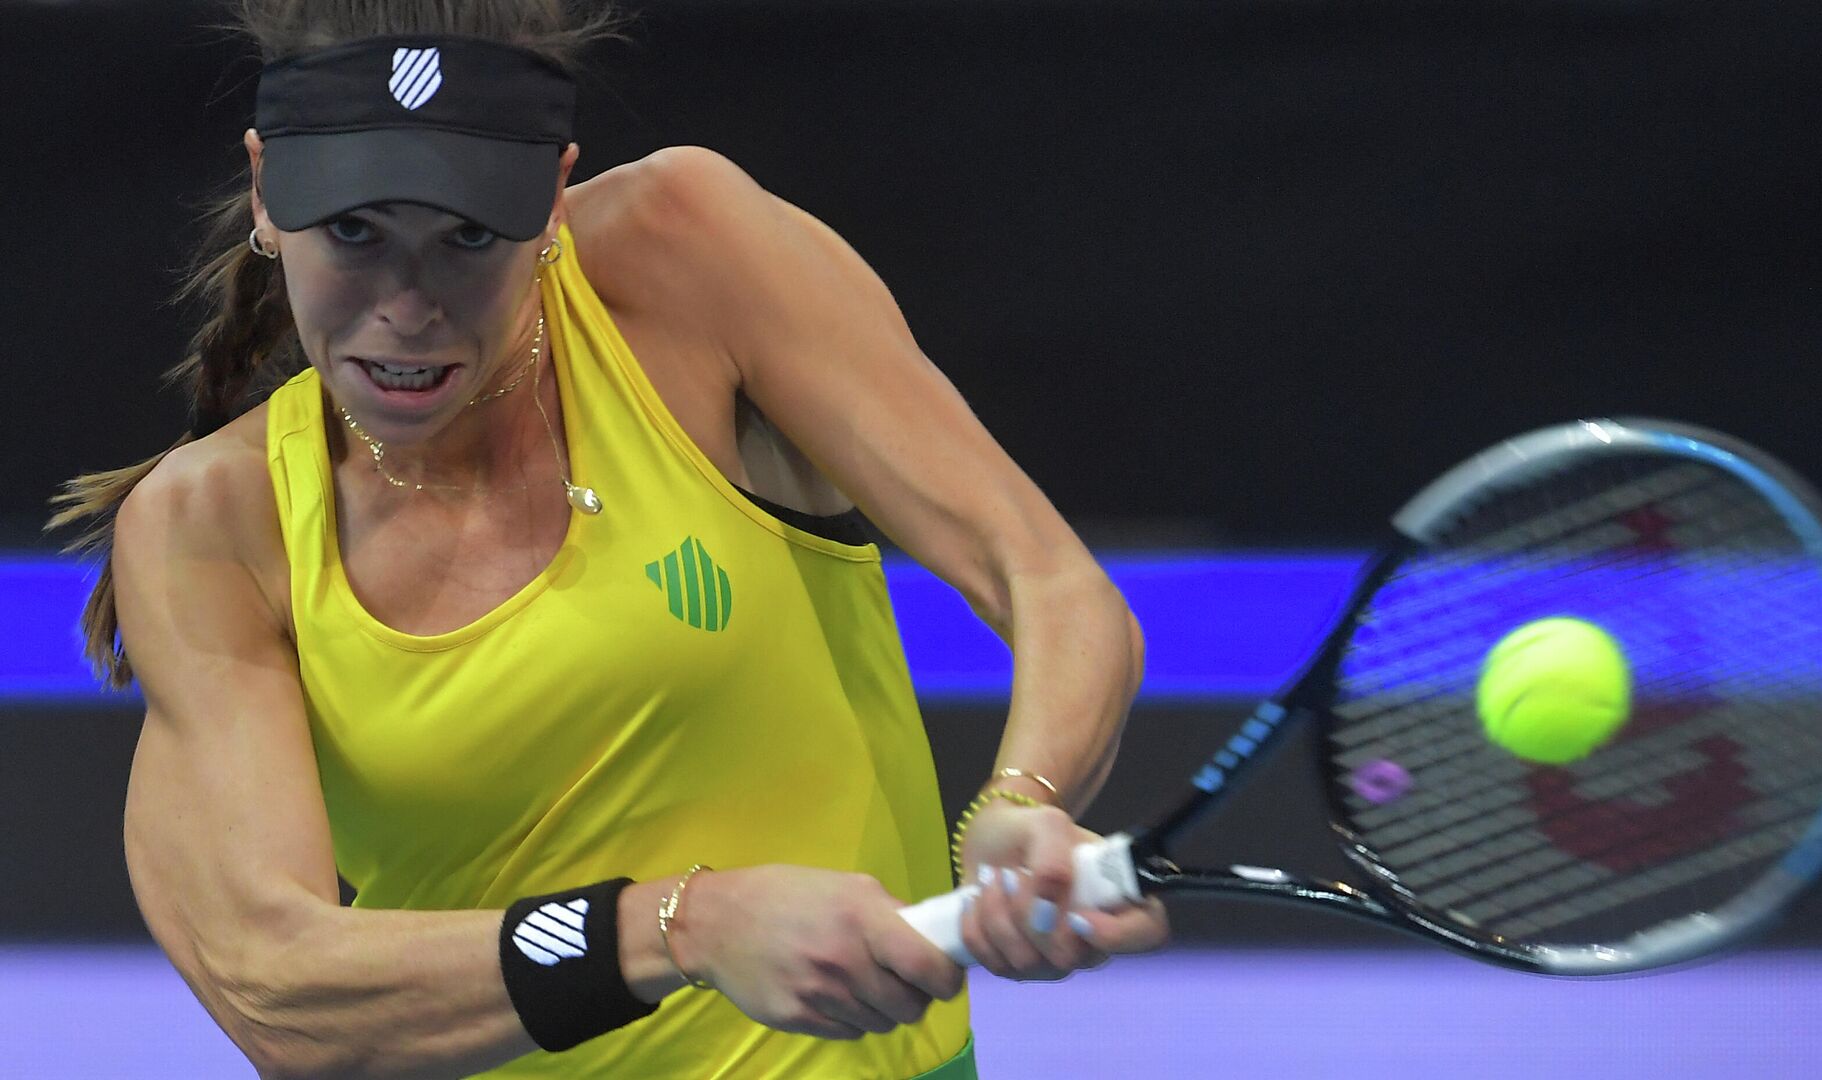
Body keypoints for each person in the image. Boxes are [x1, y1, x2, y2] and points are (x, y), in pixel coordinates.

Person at [50, 2, 1168, 1076]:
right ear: (263, 190)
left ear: (554, 194)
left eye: (469, 237)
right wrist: (683, 928)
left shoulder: (688, 256)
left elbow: (1052, 584)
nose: (407, 303)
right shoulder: (210, 524)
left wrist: (1022, 801)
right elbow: (280, 992)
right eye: (354, 230)